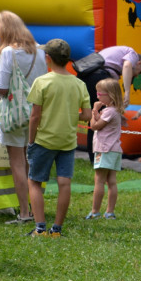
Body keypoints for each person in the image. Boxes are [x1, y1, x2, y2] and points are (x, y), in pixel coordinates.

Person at [24, 39, 92, 237]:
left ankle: (40, 228)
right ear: (67, 60)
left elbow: (35, 116)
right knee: (64, 183)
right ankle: (57, 230)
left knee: (35, 182)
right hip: (68, 142)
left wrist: (31, 140)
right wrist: (70, 113)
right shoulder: (79, 84)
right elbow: (87, 115)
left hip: (43, 140)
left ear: (48, 58)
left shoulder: (42, 82)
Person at [0, 10, 47, 224]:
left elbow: (3, 89)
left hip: (14, 114)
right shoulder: (40, 50)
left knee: (17, 163)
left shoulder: (8, 53)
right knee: (31, 161)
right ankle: (35, 208)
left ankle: (24, 213)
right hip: (36, 112)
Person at [85, 78, 127, 220]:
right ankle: (109, 212)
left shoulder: (108, 111)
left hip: (105, 149)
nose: (97, 96)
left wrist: (94, 110)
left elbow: (95, 126)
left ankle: (95, 211)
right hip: (114, 149)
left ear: (110, 95)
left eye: (100, 94)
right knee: (111, 181)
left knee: (99, 181)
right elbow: (99, 122)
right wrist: (97, 115)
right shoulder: (113, 111)